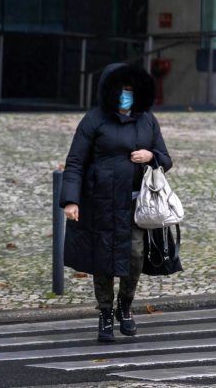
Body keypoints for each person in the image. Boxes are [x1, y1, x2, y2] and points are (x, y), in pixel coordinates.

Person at [60, 63, 173, 343]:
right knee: (103, 262)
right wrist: (70, 200)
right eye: (122, 91)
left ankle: (125, 304)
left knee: (135, 256)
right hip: (100, 202)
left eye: (131, 92)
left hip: (136, 205)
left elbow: (165, 158)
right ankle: (104, 313)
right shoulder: (94, 119)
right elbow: (75, 161)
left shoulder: (147, 120)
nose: (126, 96)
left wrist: (150, 156)